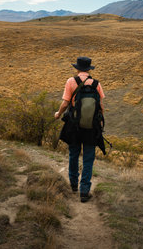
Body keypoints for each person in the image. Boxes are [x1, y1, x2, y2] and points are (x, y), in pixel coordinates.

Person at [54, 57, 105, 203]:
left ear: (77, 68)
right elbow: (101, 107)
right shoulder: (96, 84)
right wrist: (99, 124)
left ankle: (73, 184)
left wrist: (58, 114)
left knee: (73, 154)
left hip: (74, 126)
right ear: (89, 69)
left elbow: (65, 103)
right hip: (91, 128)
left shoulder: (71, 81)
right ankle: (84, 191)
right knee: (88, 158)